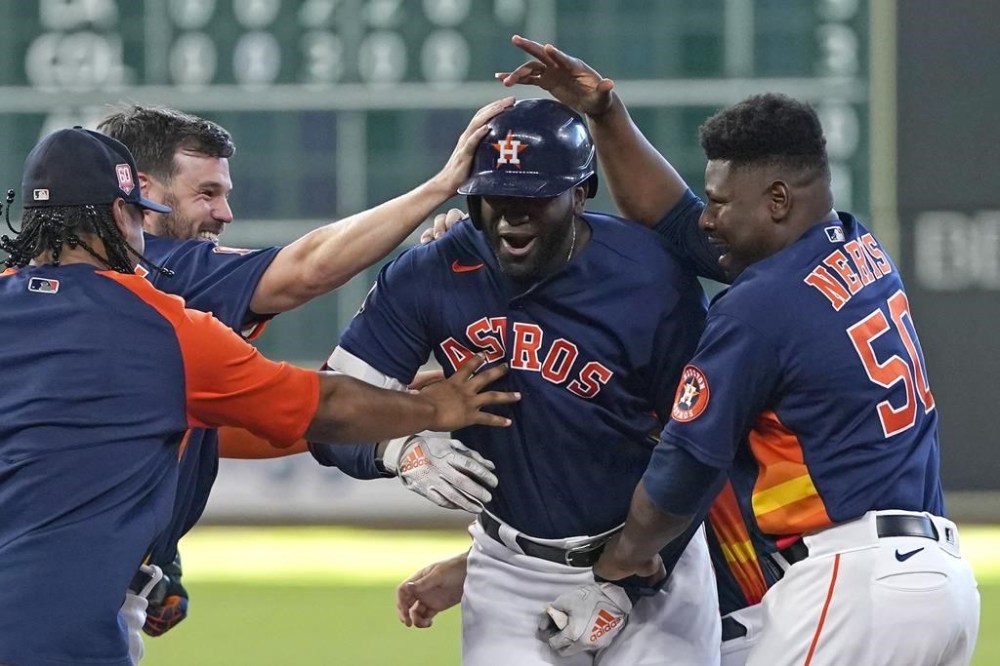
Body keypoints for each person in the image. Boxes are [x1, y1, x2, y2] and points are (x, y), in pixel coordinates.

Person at [499, 38, 980, 665]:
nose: (708, 216)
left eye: (722, 201)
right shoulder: (858, 248)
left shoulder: (762, 308)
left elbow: (683, 469)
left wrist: (616, 573)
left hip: (852, 587)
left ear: (777, 201)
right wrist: (606, 114)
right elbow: (673, 221)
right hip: (940, 584)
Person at [0, 127, 519, 666]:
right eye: (139, 211)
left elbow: (202, 430)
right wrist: (433, 408)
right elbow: (327, 403)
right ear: (119, 212)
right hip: (59, 628)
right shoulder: (163, 326)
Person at [310, 97, 721, 665]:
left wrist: (627, 580)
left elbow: (700, 446)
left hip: (649, 565)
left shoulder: (649, 277)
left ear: (579, 194)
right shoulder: (431, 273)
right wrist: (397, 449)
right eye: (493, 198)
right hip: (509, 571)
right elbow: (325, 414)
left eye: (531, 199)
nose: (509, 217)